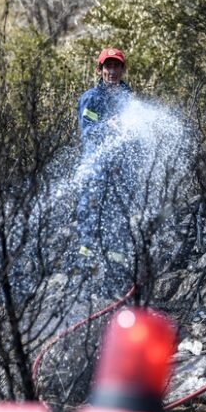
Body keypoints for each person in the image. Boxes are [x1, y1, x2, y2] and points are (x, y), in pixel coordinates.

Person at [75, 48, 135, 287]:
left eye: (116, 66)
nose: (112, 71)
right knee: (90, 217)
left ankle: (116, 272)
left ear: (122, 69)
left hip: (121, 171)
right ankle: (84, 273)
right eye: (107, 66)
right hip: (97, 171)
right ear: (99, 70)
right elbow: (87, 133)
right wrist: (106, 126)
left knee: (118, 219)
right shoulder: (91, 98)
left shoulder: (128, 97)